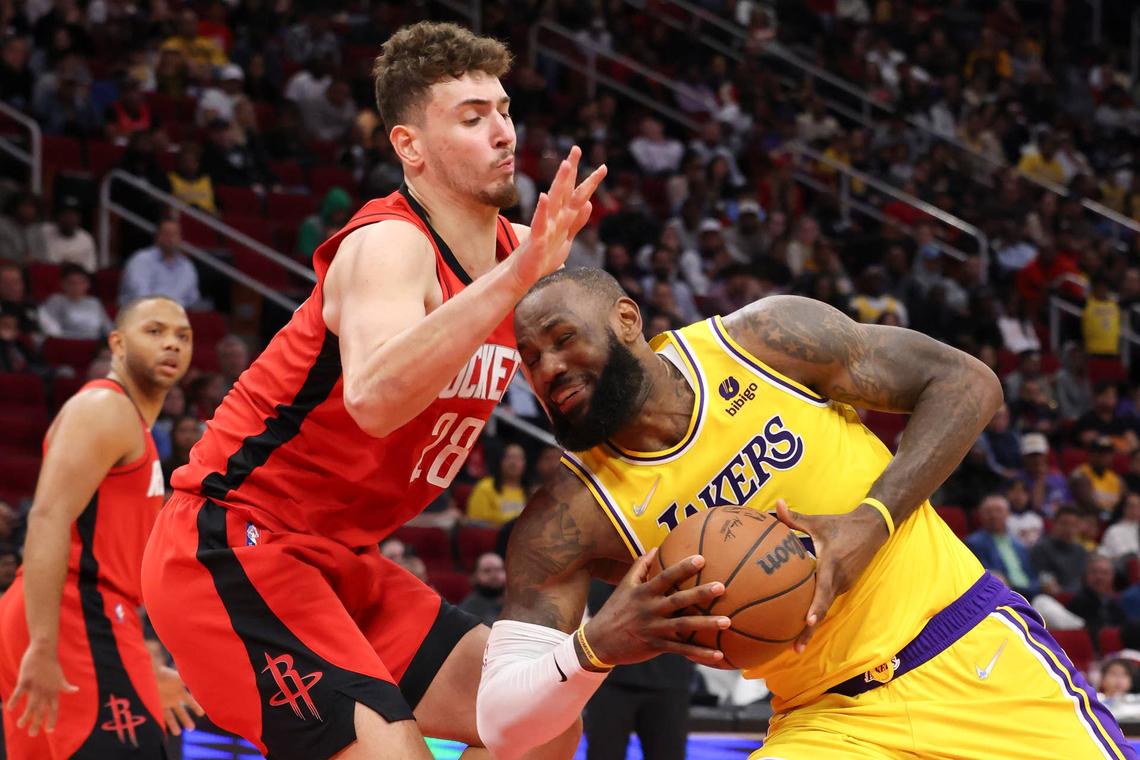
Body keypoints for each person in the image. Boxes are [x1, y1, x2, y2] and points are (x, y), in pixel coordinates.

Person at [140, 21, 604, 760]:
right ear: (409, 147)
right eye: (472, 116)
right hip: (235, 544)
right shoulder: (388, 246)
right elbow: (376, 399)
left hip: (341, 558)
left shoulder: (528, 252)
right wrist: (514, 281)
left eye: (505, 109)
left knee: (542, 720)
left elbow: (618, 403)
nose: (503, 133)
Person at [475, 267, 1136, 760]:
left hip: (971, 652)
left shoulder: (762, 343)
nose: (549, 369)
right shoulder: (567, 520)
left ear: (626, 319)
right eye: (530, 361)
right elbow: (502, 726)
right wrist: (596, 647)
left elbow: (966, 383)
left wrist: (869, 523)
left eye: (563, 340)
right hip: (825, 724)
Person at [0, 296, 202, 758]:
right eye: (154, 331)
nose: (171, 343)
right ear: (116, 342)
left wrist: (141, 669)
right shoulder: (104, 409)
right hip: (71, 614)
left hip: (73, 618)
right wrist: (47, 643)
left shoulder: (133, 427)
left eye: (183, 336)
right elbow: (48, 517)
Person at [966, 493, 1039, 598]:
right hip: (1003, 596)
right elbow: (982, 574)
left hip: (1030, 593)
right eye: (988, 512)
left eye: (998, 511)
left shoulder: (1019, 544)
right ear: (981, 515)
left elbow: (1032, 574)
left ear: (1008, 514)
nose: (994, 515)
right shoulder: (974, 542)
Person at [118, 218, 201, 309]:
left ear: (180, 238)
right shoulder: (141, 260)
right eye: (167, 234)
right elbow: (140, 296)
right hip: (140, 315)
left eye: (174, 234)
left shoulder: (187, 266)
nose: (171, 238)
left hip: (173, 316)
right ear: (157, 237)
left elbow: (192, 299)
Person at [38, 263, 113, 340]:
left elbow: (108, 328)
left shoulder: (94, 302)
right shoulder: (56, 301)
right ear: (63, 284)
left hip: (95, 344)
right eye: (72, 283)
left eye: (81, 282)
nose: (76, 287)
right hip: (67, 344)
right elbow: (51, 329)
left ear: (87, 284)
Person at [466, 442, 528, 526]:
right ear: (500, 461)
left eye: (518, 458)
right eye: (509, 457)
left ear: (525, 463)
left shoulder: (532, 492)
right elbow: (475, 523)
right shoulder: (485, 487)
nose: (513, 463)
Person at [458, 552, 506, 627]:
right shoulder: (468, 610)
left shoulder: (517, 602)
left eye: (498, 569)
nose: (494, 575)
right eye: (487, 571)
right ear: (475, 576)